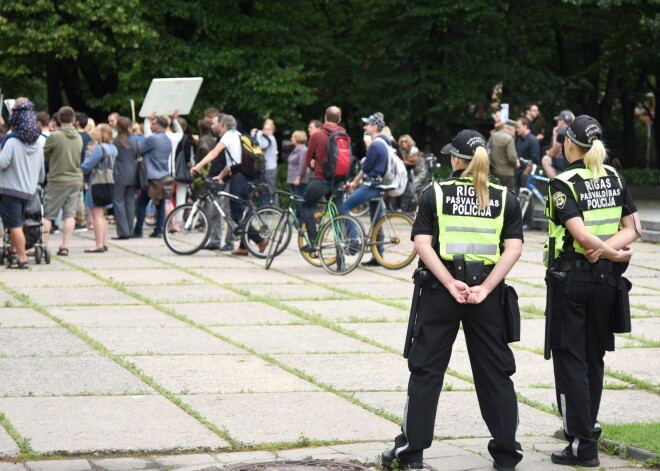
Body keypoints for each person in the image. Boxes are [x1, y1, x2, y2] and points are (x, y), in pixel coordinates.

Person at [382, 129, 524, 471]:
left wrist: (449, 282)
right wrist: (487, 287)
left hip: (440, 293)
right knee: (495, 373)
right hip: (486, 295)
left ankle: (411, 452)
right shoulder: (506, 197)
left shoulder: (435, 193)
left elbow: (421, 243)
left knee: (426, 371)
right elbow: (514, 248)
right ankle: (506, 455)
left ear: (457, 159)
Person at [545, 115, 639, 468]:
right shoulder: (614, 176)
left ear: (569, 143)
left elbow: (582, 237)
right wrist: (612, 250)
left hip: (573, 281)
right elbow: (634, 227)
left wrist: (603, 249)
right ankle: (589, 432)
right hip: (607, 283)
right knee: (594, 357)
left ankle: (582, 444)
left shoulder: (562, 183)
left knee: (569, 358)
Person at [190, 114, 268, 256]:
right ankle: (244, 247)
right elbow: (233, 162)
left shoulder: (228, 136)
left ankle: (259, 240)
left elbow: (214, 153)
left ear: (224, 126)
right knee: (243, 212)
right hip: (244, 175)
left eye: (217, 123)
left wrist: (197, 166)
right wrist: (220, 176)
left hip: (239, 178)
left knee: (236, 213)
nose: (215, 126)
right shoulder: (238, 135)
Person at [0, 104, 45, 268]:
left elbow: (2, 163)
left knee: (14, 224)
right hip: (29, 190)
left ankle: (22, 259)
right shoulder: (38, 144)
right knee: (18, 222)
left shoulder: (11, 141)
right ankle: (12, 252)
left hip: (11, 190)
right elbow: (41, 171)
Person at [342, 113, 389, 266]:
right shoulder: (385, 142)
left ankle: (354, 241)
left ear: (374, 127)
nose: (364, 127)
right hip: (380, 185)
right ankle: (378, 256)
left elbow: (367, 168)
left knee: (344, 206)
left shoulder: (375, 144)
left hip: (373, 185)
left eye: (367, 125)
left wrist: (354, 182)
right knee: (376, 221)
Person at [301, 106, 347, 243]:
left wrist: (313, 163)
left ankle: (314, 241)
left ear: (325, 118)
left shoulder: (317, 135)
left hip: (321, 181)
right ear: (339, 120)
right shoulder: (345, 134)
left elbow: (307, 161)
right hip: (339, 181)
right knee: (337, 215)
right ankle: (341, 252)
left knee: (306, 205)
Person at [42, 106, 83, 256]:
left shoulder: (55, 136)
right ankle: (64, 246)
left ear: (58, 119)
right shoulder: (78, 136)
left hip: (57, 179)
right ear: (73, 120)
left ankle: (43, 245)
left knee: (48, 215)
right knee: (69, 215)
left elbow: (44, 154)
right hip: (74, 179)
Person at [133, 116, 172, 238]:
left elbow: (140, 151)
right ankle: (159, 230)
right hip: (164, 174)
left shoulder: (153, 139)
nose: (151, 126)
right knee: (160, 203)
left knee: (142, 202)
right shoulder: (168, 140)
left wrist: (138, 146)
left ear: (159, 126)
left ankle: (138, 230)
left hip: (152, 176)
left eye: (153, 124)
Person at [80, 124, 117, 252]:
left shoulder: (99, 148)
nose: (94, 133)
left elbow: (87, 165)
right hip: (109, 182)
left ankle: (98, 244)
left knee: (96, 214)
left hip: (96, 182)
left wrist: (82, 166)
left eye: (97, 131)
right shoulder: (113, 148)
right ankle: (103, 242)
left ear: (102, 134)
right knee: (102, 215)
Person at [112, 117, 139, 239]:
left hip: (119, 174)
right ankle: (129, 229)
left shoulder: (115, 141)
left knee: (118, 202)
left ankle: (123, 231)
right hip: (132, 174)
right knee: (129, 203)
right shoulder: (134, 141)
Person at [541, 110, 575, 178]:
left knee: (545, 159)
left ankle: (557, 185)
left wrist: (554, 135)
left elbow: (554, 155)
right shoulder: (576, 129)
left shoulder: (562, 132)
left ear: (562, 121)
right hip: (581, 164)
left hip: (570, 165)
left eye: (558, 121)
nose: (557, 123)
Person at [253, 120, 278, 207]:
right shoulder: (266, 138)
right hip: (266, 168)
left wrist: (258, 134)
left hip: (270, 168)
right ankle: (266, 207)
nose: (266, 131)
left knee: (271, 189)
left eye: (268, 129)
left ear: (272, 130)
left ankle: (275, 207)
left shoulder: (271, 139)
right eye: (264, 129)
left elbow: (261, 145)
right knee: (265, 189)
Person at [488, 120, 517, 192]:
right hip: (507, 174)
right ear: (511, 128)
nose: (514, 133)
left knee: (494, 196)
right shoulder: (509, 139)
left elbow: (488, 152)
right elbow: (512, 158)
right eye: (515, 131)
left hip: (494, 172)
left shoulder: (494, 136)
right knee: (507, 197)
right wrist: (516, 163)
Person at [286, 130, 309, 221]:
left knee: (300, 202)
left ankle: (301, 221)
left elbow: (302, 165)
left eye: (293, 137)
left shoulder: (303, 150)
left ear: (297, 138)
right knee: (296, 202)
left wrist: (298, 178)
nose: (291, 138)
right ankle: (298, 220)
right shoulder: (296, 149)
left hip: (299, 181)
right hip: (293, 180)